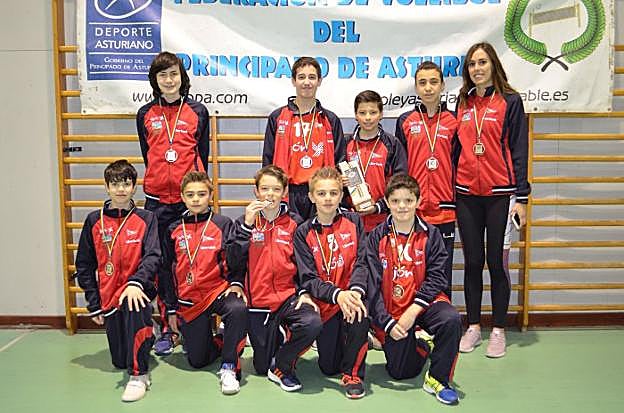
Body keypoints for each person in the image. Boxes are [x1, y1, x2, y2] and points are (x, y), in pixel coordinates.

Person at [454, 42, 531, 358]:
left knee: (497, 264)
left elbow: (519, 148)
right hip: (466, 194)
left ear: (493, 65)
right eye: (472, 64)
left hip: (501, 194)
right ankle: (473, 327)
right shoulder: (462, 102)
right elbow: (456, 149)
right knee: (472, 262)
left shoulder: (510, 101)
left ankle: (498, 330)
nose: (477, 68)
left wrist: (522, 196)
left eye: (482, 62)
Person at [136, 51, 210, 356]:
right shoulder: (145, 114)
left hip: (187, 203)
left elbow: (202, 155)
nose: (169, 80)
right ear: (155, 80)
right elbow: (148, 155)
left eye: (173, 74)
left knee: (192, 261)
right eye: (162, 75)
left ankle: (195, 322)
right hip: (157, 203)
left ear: (182, 77)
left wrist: (194, 194)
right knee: (162, 266)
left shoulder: (198, 111)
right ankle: (169, 328)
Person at [366, 174, 461, 405]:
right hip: (392, 311)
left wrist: (414, 310)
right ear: (387, 202)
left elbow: (438, 277)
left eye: (408, 200)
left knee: (451, 319)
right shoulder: (376, 237)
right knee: (400, 372)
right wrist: (387, 323)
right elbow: (371, 286)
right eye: (396, 201)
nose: (402, 206)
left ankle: (438, 379)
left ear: (418, 201)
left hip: (423, 305)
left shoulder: (431, 234)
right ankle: (422, 344)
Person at [228, 165, 322, 392]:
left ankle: (282, 365)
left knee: (312, 322)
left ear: (285, 192)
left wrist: (304, 292)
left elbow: (304, 263)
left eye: (276, 189)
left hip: (288, 298)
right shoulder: (244, 221)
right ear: (256, 191)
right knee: (261, 367)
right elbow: (233, 261)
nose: (270, 194)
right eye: (265, 189)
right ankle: (276, 339)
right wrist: (246, 227)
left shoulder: (296, 223)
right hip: (258, 303)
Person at [75, 160, 160, 402]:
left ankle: (139, 376)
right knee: (119, 361)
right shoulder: (94, 221)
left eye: (126, 184)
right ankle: (149, 333)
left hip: (138, 291)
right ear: (106, 187)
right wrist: (94, 303)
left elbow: (153, 256)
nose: (121, 189)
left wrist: (136, 283)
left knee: (135, 305)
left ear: (134, 187)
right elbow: (84, 264)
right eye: (115, 184)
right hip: (109, 295)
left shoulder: (147, 218)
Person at [159, 171, 248, 395]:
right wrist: (171, 308)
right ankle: (221, 339)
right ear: (182, 197)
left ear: (211, 195)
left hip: (217, 291)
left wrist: (236, 283)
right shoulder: (172, 228)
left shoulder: (223, 224)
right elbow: (166, 271)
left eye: (201, 194)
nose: (196, 199)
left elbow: (236, 259)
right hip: (188, 299)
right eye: (190, 195)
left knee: (237, 307)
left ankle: (229, 366)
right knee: (197, 361)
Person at [293, 167, 370, 399]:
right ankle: (346, 344)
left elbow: (362, 262)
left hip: (351, 296)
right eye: (322, 193)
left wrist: (354, 291)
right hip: (326, 302)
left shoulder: (354, 221)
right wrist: (338, 295)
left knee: (360, 310)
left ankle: (353, 374)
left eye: (333, 193)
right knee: (328, 367)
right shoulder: (303, 232)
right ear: (311, 197)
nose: (328, 198)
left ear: (341, 195)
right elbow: (309, 279)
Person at [395, 61, 459, 300]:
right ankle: (415, 319)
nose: (428, 88)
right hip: (414, 210)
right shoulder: (405, 121)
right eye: (422, 83)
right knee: (413, 271)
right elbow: (401, 168)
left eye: (433, 82)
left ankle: (442, 319)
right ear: (416, 87)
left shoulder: (454, 120)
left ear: (442, 85)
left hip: (445, 209)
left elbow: (459, 163)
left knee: (442, 272)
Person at [262, 56, 346, 219]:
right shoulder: (277, 117)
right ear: (293, 81)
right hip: (288, 191)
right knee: (289, 234)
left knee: (318, 234)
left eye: (312, 77)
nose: (307, 82)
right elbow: (268, 159)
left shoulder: (330, 119)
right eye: (301, 77)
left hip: (320, 192)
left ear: (319, 81)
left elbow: (340, 159)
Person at [344, 90, 407, 232]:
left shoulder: (392, 144)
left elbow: (400, 183)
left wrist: (379, 206)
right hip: (352, 221)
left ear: (381, 114)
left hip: (382, 221)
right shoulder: (346, 144)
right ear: (355, 115)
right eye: (362, 113)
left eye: (373, 112)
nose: (368, 118)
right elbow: (335, 178)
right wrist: (340, 181)